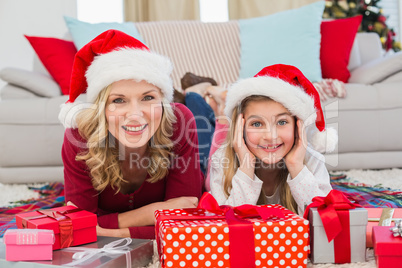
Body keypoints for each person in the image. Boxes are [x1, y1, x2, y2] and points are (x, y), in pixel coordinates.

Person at [59, 30, 204, 239]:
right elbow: (78, 226)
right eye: (118, 100)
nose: (135, 115)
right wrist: (154, 212)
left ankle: (203, 90)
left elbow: (183, 226)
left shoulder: (179, 121)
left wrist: (107, 229)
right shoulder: (79, 136)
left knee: (200, 109)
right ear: (101, 108)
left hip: (177, 129)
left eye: (148, 97)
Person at [208, 64, 338, 215]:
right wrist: (246, 168)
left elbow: (324, 222)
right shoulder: (221, 160)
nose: (270, 136)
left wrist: (296, 167)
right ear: (240, 128)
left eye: (282, 122)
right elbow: (224, 227)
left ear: (298, 126)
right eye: (257, 124)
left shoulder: (312, 161)